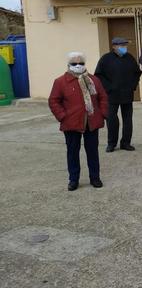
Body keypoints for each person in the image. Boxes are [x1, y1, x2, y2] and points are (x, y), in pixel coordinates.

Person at [48, 52, 109, 191]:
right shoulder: (60, 82)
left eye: (81, 63)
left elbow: (103, 97)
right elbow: (53, 101)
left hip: (91, 122)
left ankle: (95, 178)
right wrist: (63, 116)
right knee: (72, 152)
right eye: (74, 63)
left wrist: (103, 113)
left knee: (92, 151)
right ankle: (73, 179)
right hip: (71, 123)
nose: (78, 66)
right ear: (68, 65)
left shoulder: (93, 80)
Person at [95, 37, 142, 152]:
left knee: (128, 120)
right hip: (111, 95)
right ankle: (111, 143)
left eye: (125, 45)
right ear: (114, 46)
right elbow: (99, 75)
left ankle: (126, 143)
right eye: (121, 46)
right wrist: (109, 88)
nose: (124, 48)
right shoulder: (105, 59)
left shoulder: (130, 58)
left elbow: (137, 73)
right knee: (111, 120)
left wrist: (132, 86)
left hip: (127, 94)